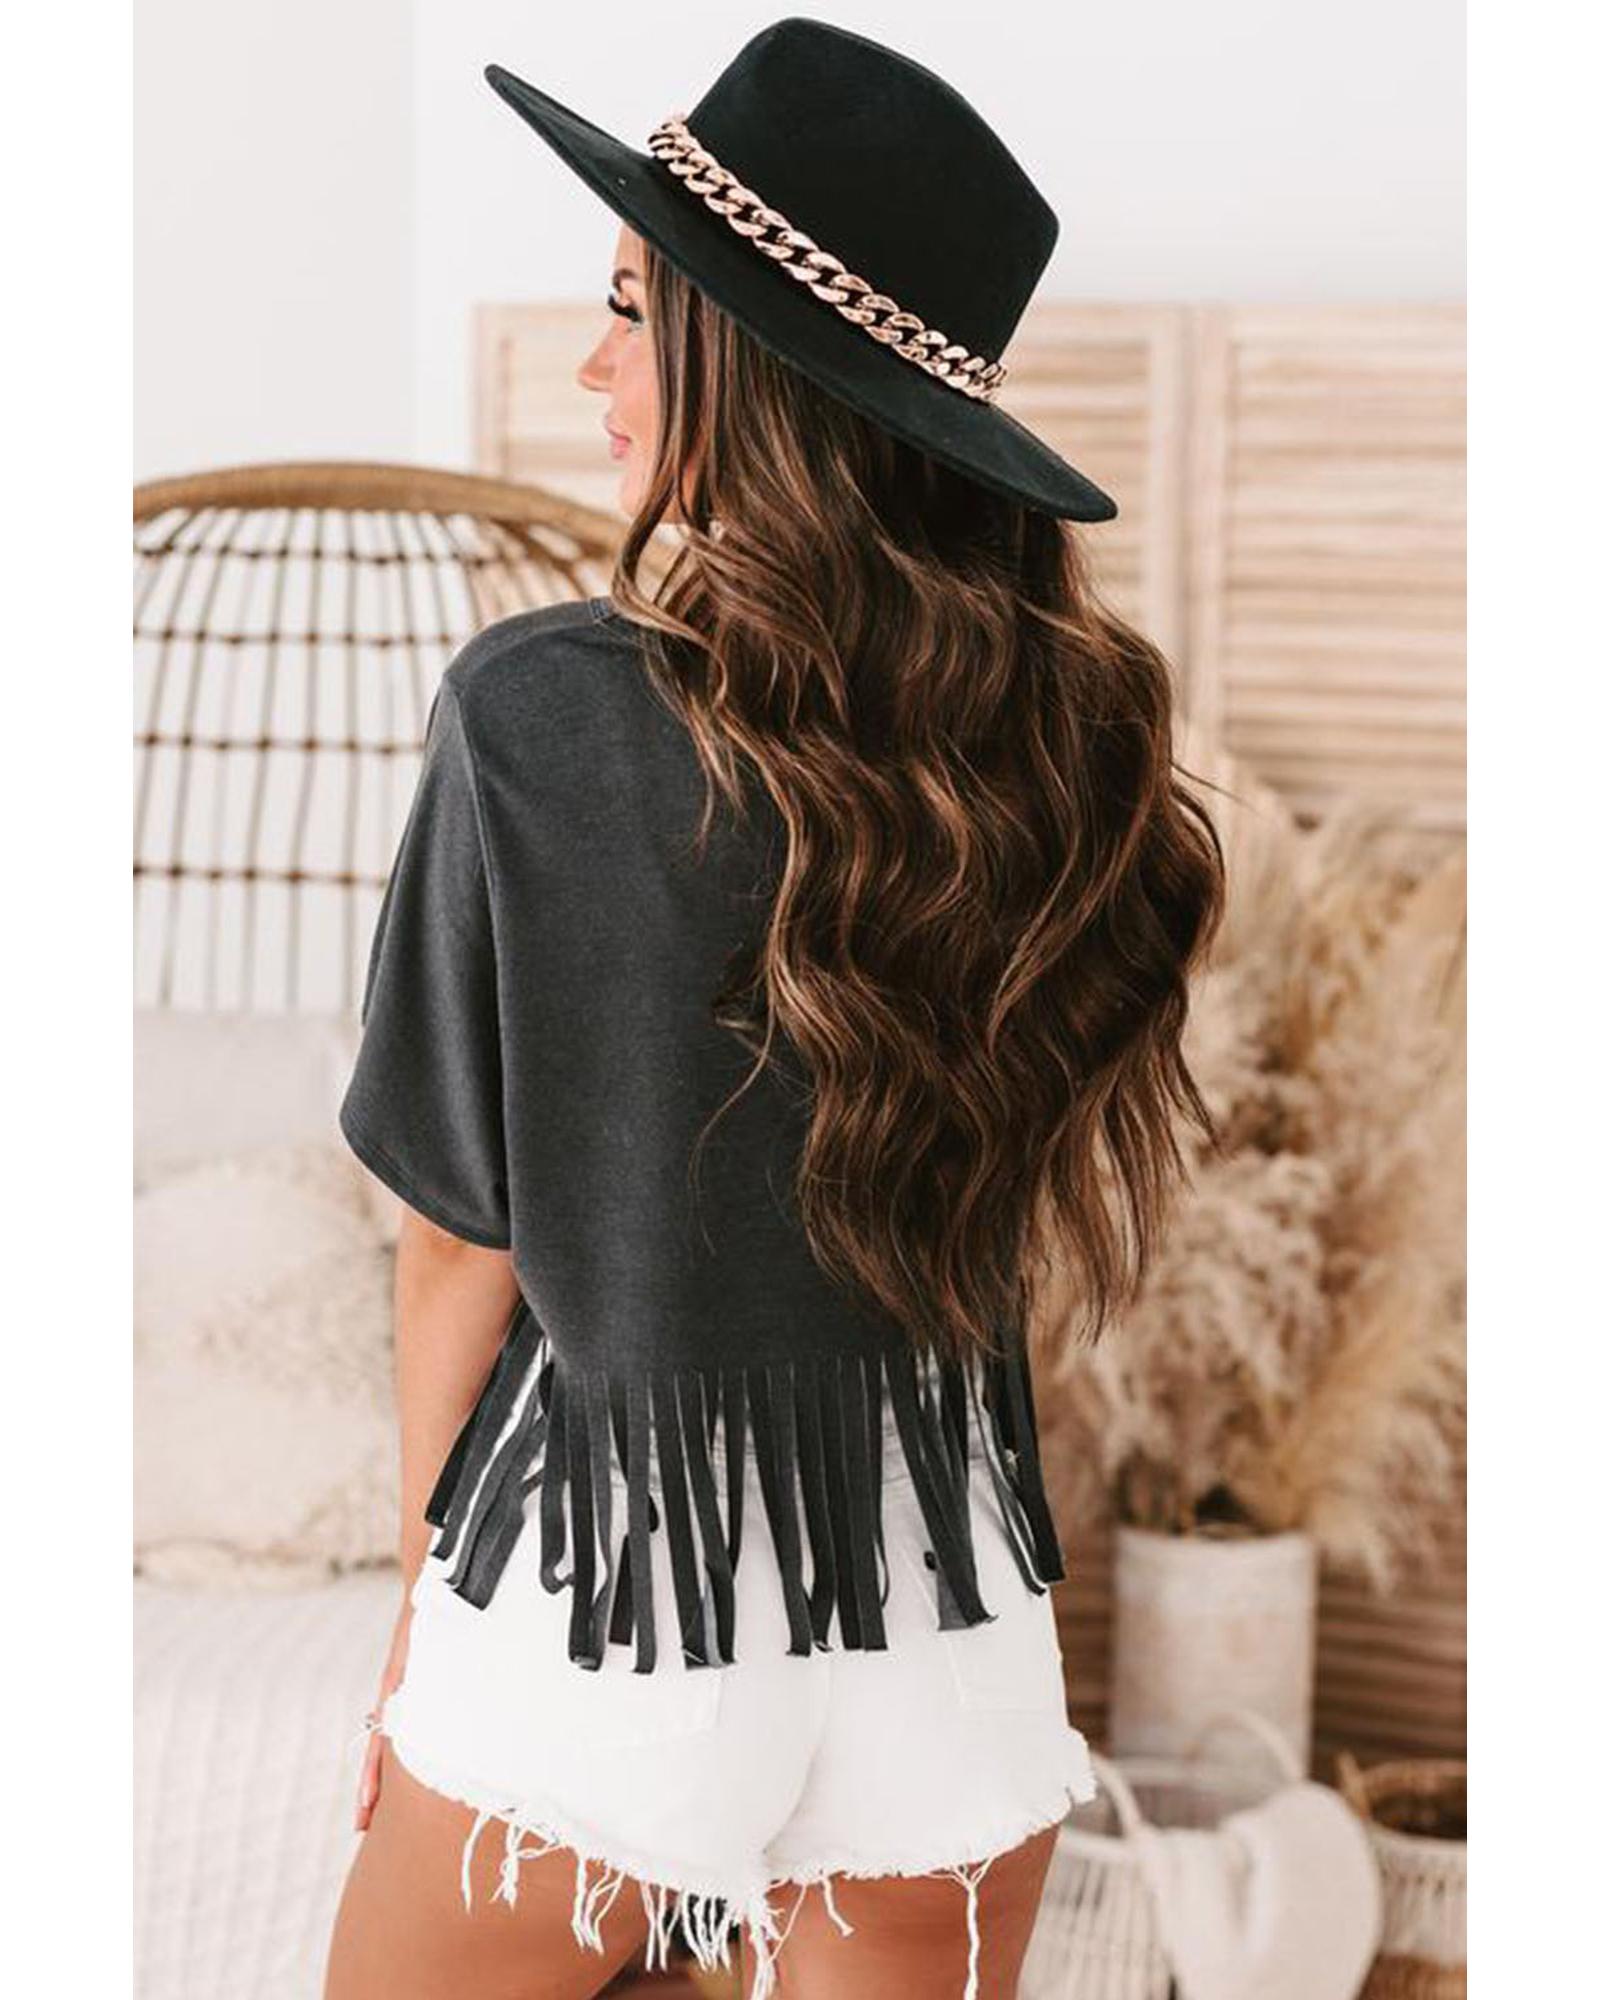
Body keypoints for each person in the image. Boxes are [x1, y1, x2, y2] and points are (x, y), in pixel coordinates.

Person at [323, 19, 1226, 1999]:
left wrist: (424, 1606)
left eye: (627, 312)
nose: (594, 368)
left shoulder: (538, 716)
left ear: (747, 358)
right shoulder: (1068, 750)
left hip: (609, 1597)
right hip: (948, 1614)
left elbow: (459, 1245)